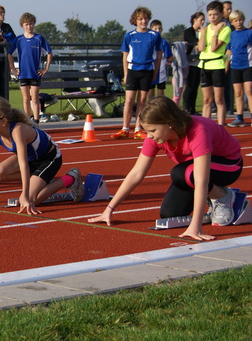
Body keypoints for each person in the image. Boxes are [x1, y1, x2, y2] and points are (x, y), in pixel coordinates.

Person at [89, 96, 242, 241]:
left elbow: (201, 180)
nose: (149, 136)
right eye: (146, 131)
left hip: (229, 165)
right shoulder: (155, 137)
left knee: (182, 173)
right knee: (169, 214)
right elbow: (136, 173)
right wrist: (109, 209)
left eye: (152, 130)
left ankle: (222, 196)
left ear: (169, 123)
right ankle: (215, 193)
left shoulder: (198, 130)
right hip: (192, 171)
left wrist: (195, 227)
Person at [0, 97, 84, 215]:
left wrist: (26, 196)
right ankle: (39, 179)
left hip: (49, 158)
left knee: (31, 200)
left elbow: (23, 164)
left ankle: (70, 178)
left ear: (4, 121)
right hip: (31, 159)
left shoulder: (18, 130)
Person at [112, 6, 162, 140]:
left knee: (142, 101)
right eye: (140, 19)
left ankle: (138, 128)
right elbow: (125, 55)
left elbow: (159, 54)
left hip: (147, 70)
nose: (143, 21)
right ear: (135, 20)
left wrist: (155, 72)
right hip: (133, 70)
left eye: (145, 18)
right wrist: (126, 73)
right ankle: (125, 128)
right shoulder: (129, 35)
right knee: (128, 101)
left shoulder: (154, 35)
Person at [7, 12, 53, 122]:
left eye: (31, 24)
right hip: (23, 73)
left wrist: (45, 68)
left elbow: (49, 53)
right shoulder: (18, 40)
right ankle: (27, 120)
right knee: (26, 98)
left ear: (34, 24)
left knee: (35, 98)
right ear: (22, 25)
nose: (29, 26)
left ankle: (36, 120)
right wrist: (13, 69)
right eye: (26, 24)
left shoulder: (39, 38)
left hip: (35, 73)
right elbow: (9, 54)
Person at [197, 0, 231, 126]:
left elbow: (214, 48)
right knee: (206, 99)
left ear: (221, 14)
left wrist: (216, 32)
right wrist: (204, 33)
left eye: (215, 14)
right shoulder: (205, 29)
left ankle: (221, 127)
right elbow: (200, 48)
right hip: (204, 65)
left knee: (219, 99)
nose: (212, 17)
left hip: (217, 65)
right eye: (210, 14)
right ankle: (206, 127)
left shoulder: (225, 29)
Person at [225, 10, 252, 128]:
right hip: (235, 66)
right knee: (238, 92)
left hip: (248, 65)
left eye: (240, 19)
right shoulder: (231, 34)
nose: (238, 22)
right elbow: (229, 50)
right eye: (236, 20)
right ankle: (239, 118)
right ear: (232, 22)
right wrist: (226, 65)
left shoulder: (249, 33)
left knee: (249, 91)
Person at [182, 12, 205, 115]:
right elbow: (196, 43)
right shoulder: (188, 31)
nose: (203, 22)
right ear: (194, 20)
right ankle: (186, 108)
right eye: (201, 20)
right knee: (190, 86)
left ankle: (193, 108)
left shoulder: (204, 31)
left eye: (204, 20)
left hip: (199, 62)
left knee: (196, 86)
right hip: (190, 62)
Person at [147, 20, 173, 99]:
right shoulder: (148, 41)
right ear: (151, 29)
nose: (158, 31)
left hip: (161, 69)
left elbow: (169, 56)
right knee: (150, 90)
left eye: (159, 29)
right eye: (155, 29)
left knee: (160, 90)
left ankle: (160, 108)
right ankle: (150, 107)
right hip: (150, 68)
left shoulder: (164, 42)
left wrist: (171, 59)